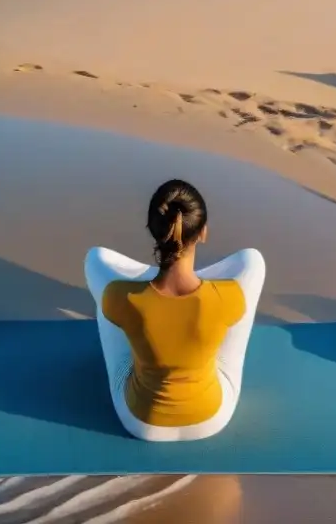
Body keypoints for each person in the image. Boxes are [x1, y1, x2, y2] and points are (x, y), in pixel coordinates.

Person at [84, 179, 265, 441]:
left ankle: (155, 282)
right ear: (203, 232)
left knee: (96, 264)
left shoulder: (119, 296)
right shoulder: (229, 296)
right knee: (253, 261)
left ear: (153, 230)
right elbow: (249, 263)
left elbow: (98, 259)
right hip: (212, 418)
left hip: (140, 422)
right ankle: (188, 283)